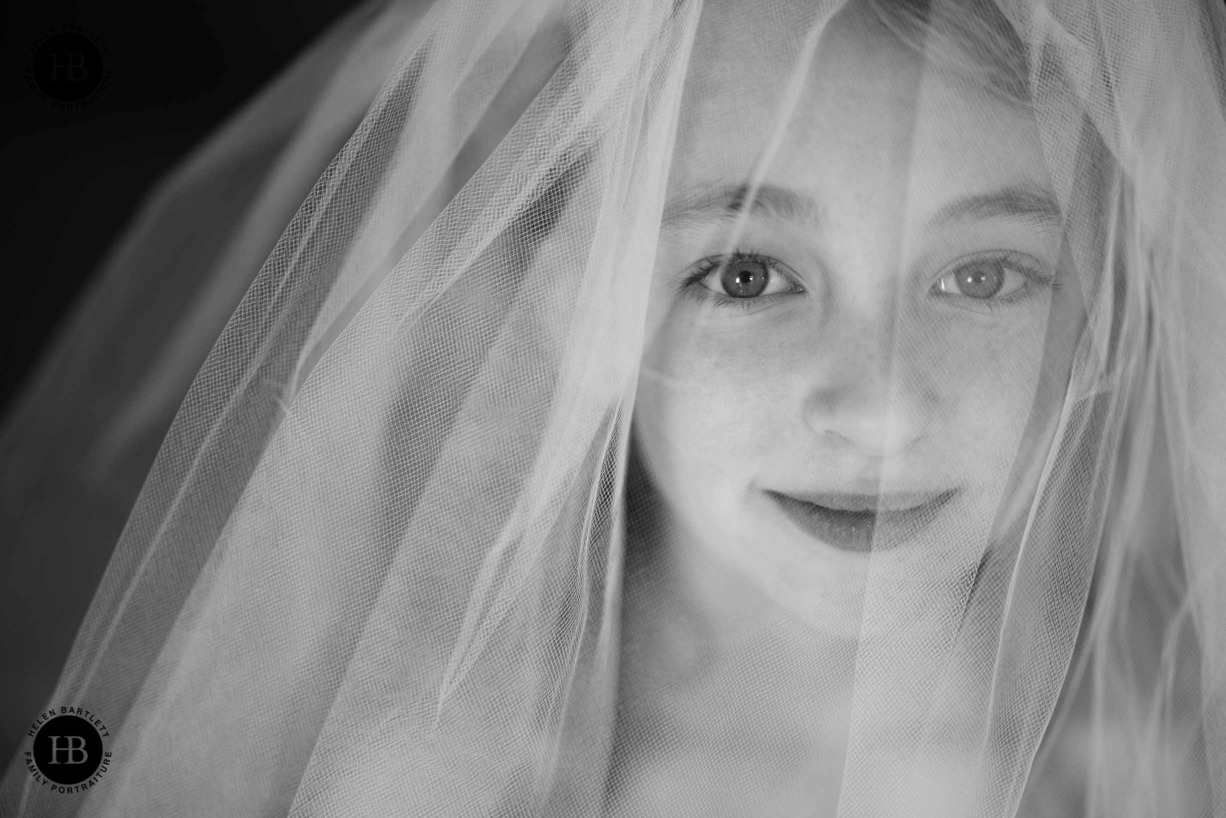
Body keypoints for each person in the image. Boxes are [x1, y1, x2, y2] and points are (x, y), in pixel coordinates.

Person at [2, 0, 1223, 814]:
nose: (883, 408)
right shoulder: (413, 784)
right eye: (743, 273)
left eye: (983, 274)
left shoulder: (1171, 772)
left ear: (1104, 318)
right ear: (567, 306)